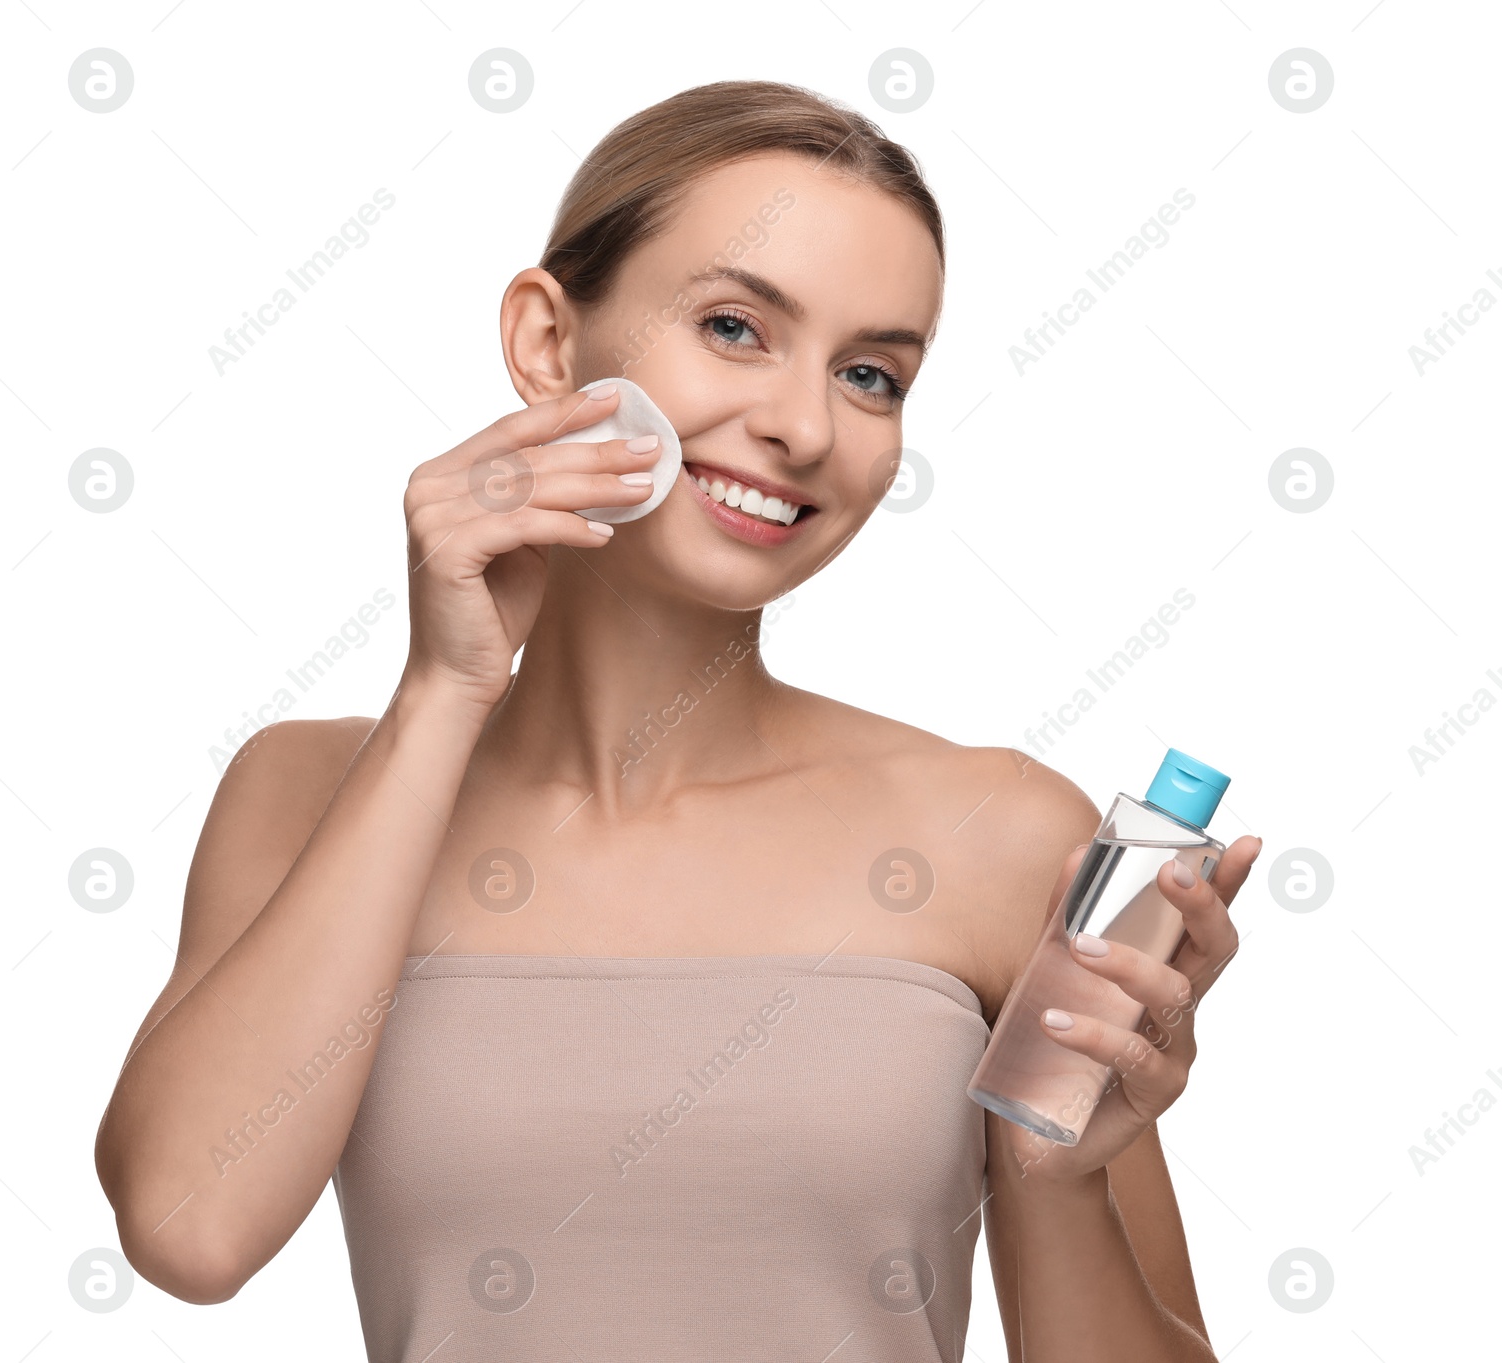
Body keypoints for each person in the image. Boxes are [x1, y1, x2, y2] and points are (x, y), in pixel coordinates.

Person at [95, 79, 1261, 1362]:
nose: (804, 426)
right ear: (548, 340)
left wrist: (1063, 1177)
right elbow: (188, 1231)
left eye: (870, 375)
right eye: (734, 327)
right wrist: (444, 691)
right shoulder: (309, 793)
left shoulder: (998, 833)